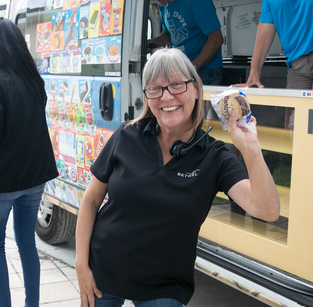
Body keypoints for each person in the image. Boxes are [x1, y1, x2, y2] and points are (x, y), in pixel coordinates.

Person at [75, 48, 280, 307]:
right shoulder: (126, 136)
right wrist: (81, 264)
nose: (166, 96)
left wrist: (251, 149)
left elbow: (267, 210)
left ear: (195, 89)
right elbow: (91, 201)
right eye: (155, 88)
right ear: (147, 96)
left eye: (176, 85)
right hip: (103, 270)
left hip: (165, 284)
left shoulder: (213, 156)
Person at [0, 17, 58, 307]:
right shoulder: (32, 80)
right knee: (27, 244)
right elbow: (20, 115)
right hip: (34, 179)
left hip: (2, 181)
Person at [147, 0, 224, 86]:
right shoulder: (164, 3)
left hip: (205, 70)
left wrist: (192, 68)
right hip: (182, 68)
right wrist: (149, 44)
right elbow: (168, 34)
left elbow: (216, 39)